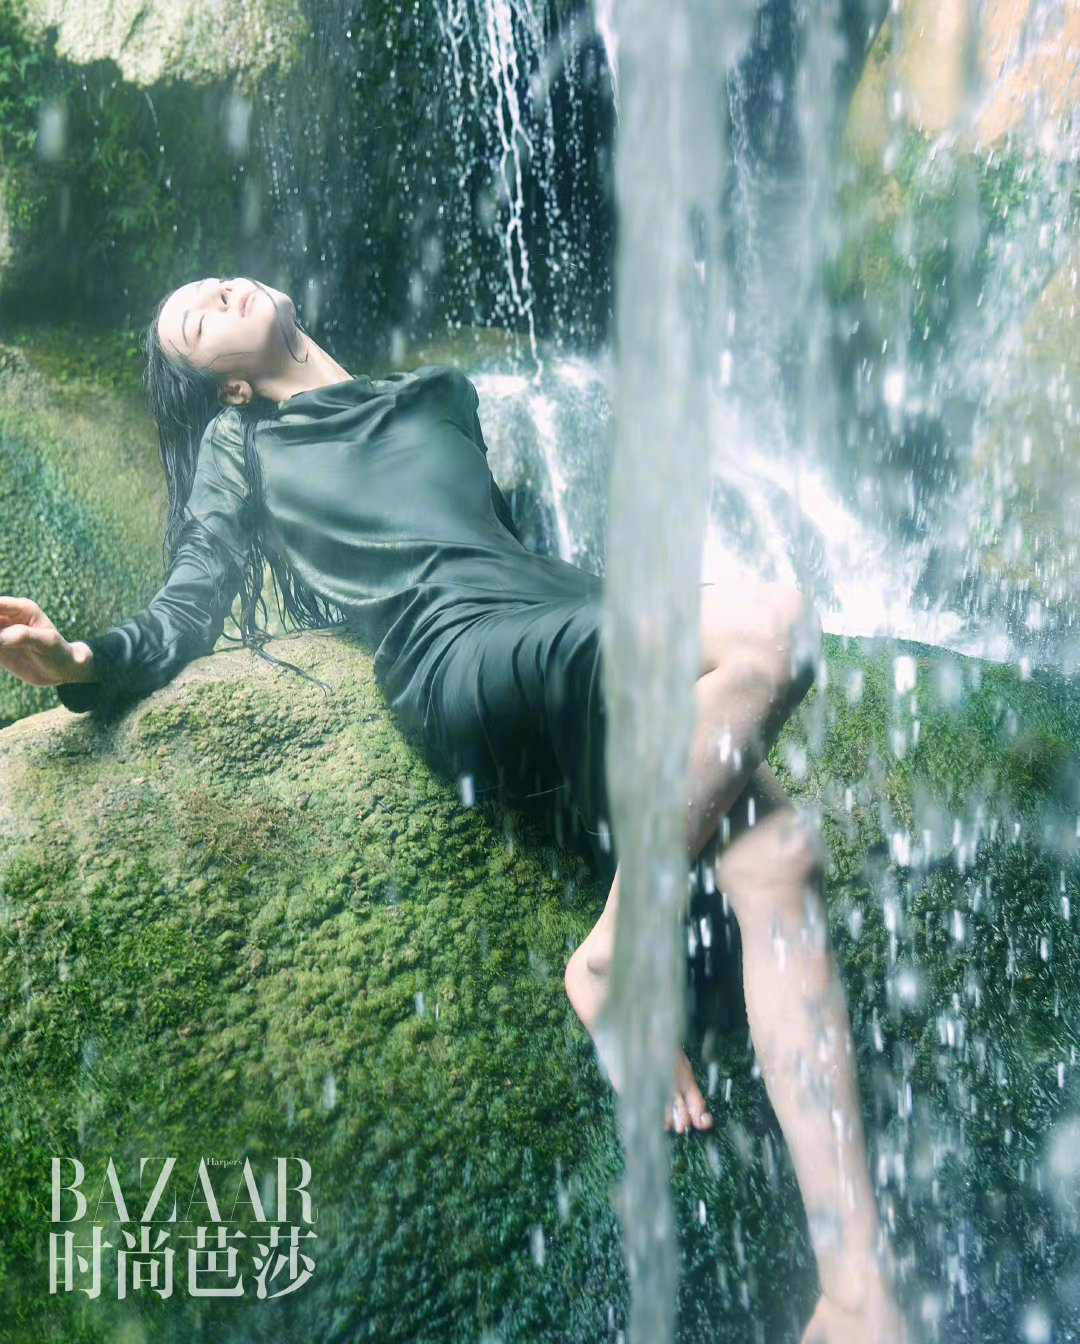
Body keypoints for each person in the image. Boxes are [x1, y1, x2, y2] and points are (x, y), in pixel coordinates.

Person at [0, 276, 907, 1343]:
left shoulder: (442, 394)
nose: (218, 290)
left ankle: (858, 1295)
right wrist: (79, 661)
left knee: (782, 861)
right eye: (197, 320)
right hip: (459, 652)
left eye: (215, 283)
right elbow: (189, 605)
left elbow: (510, 544)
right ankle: (616, 955)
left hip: (558, 622)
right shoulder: (245, 446)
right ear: (230, 388)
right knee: (776, 627)